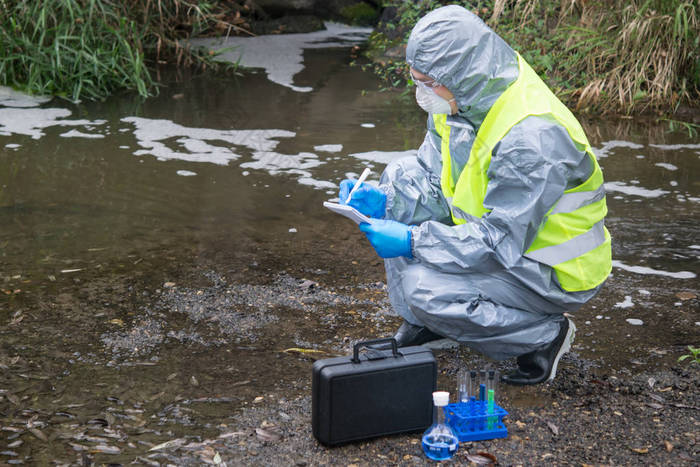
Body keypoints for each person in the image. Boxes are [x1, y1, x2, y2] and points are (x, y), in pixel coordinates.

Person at [339, 5, 612, 385]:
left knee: (424, 289)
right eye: (416, 79)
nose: (421, 93)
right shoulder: (462, 96)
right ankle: (428, 326)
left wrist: (412, 241)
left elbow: (499, 240)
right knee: (398, 175)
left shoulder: (531, 138)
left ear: (459, 72)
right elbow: (437, 181)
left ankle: (544, 337)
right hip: (507, 243)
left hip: (550, 269)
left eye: (427, 82)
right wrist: (386, 200)